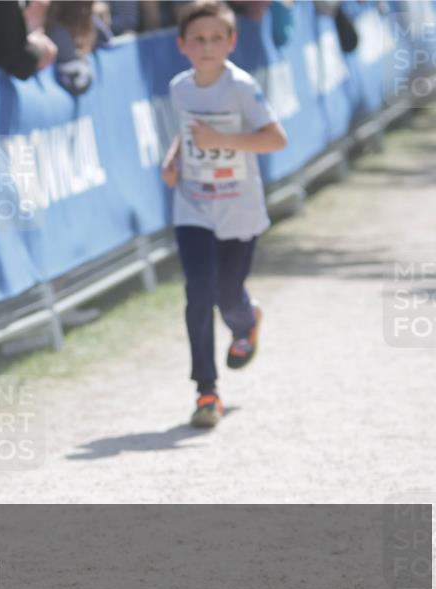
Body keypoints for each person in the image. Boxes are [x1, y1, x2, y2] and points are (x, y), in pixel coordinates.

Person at [159, 0, 287, 428]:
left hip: (239, 207)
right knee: (199, 290)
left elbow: (275, 140)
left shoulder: (242, 87)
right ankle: (206, 390)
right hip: (194, 205)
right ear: (182, 44)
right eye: (198, 39)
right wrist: (174, 158)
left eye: (217, 38)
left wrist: (222, 139)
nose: (207, 46)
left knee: (227, 294)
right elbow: (187, 130)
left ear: (232, 41)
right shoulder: (180, 87)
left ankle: (246, 321)